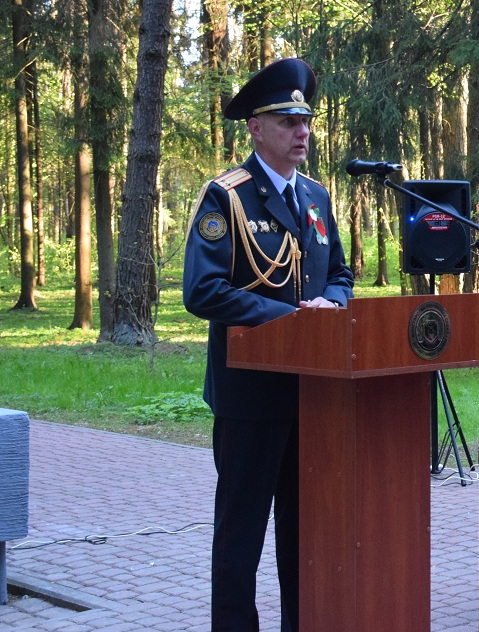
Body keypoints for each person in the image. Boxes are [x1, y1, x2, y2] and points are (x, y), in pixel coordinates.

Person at [183, 58, 354, 632]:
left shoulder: (317, 198)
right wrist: (290, 319)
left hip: (312, 394)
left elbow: (342, 274)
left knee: (304, 534)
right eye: (286, 120)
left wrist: (331, 302)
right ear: (255, 128)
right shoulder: (227, 196)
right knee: (242, 533)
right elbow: (203, 289)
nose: (301, 130)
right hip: (251, 394)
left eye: (305, 119)